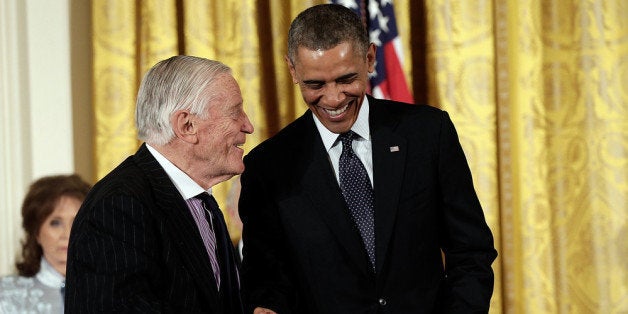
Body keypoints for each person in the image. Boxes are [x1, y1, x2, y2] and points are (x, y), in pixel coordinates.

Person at [238, 4, 498, 314]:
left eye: (346, 79)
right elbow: (266, 279)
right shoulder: (268, 167)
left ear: (370, 58)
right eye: (315, 84)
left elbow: (471, 250)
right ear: (293, 70)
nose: (334, 98)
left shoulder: (427, 133)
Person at [64, 56, 254, 313]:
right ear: (187, 125)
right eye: (235, 112)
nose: (248, 126)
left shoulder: (201, 202)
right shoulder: (119, 206)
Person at [0, 174, 91, 313]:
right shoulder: (5, 295)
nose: (67, 234)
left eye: (77, 222)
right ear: (36, 232)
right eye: (56, 223)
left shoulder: (115, 293)